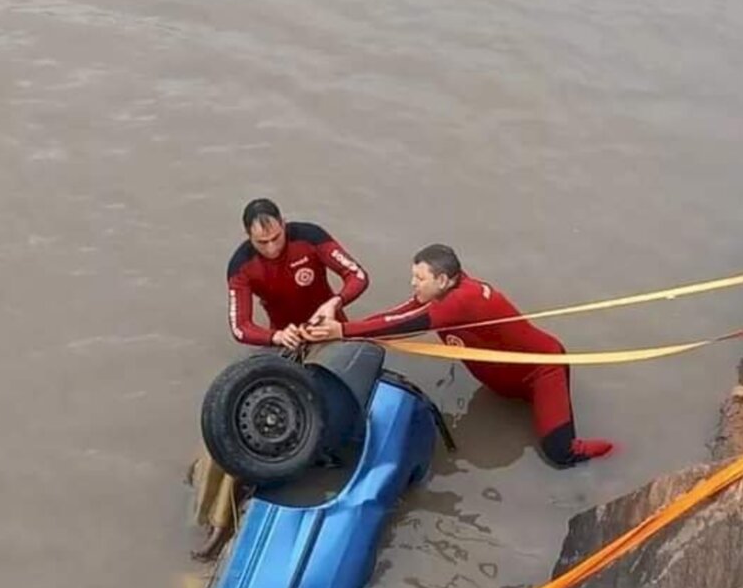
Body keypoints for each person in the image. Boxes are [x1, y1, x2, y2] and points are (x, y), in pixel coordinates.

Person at [302, 243, 613, 468]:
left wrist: (341, 332)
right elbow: (394, 317)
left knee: (561, 453)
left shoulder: (460, 302)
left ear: (443, 280)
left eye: (419, 278)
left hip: (542, 372)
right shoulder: (443, 292)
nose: (413, 284)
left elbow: (408, 324)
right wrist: (340, 327)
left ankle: (619, 452)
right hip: (507, 379)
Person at [227, 198, 369, 349]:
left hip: (329, 325)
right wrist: (275, 336)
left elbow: (358, 275)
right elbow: (240, 327)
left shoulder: (310, 237)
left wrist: (335, 303)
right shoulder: (241, 266)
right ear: (248, 235)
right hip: (287, 339)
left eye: (276, 238)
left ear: (283, 224)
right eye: (262, 242)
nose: (272, 248)